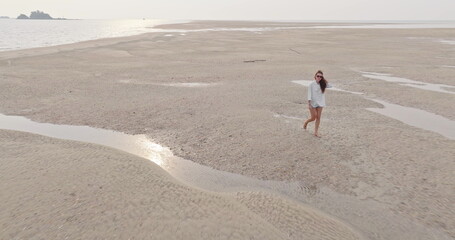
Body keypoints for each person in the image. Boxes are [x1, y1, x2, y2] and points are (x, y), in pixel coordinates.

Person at [303, 70, 329, 137]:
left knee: (318, 118)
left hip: (320, 103)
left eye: (321, 77)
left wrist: (324, 81)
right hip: (313, 103)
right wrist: (309, 104)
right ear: (315, 76)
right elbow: (309, 94)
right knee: (313, 117)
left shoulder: (322, 84)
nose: (319, 77)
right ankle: (306, 122)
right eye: (318, 76)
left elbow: (330, 86)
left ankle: (316, 132)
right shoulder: (311, 84)